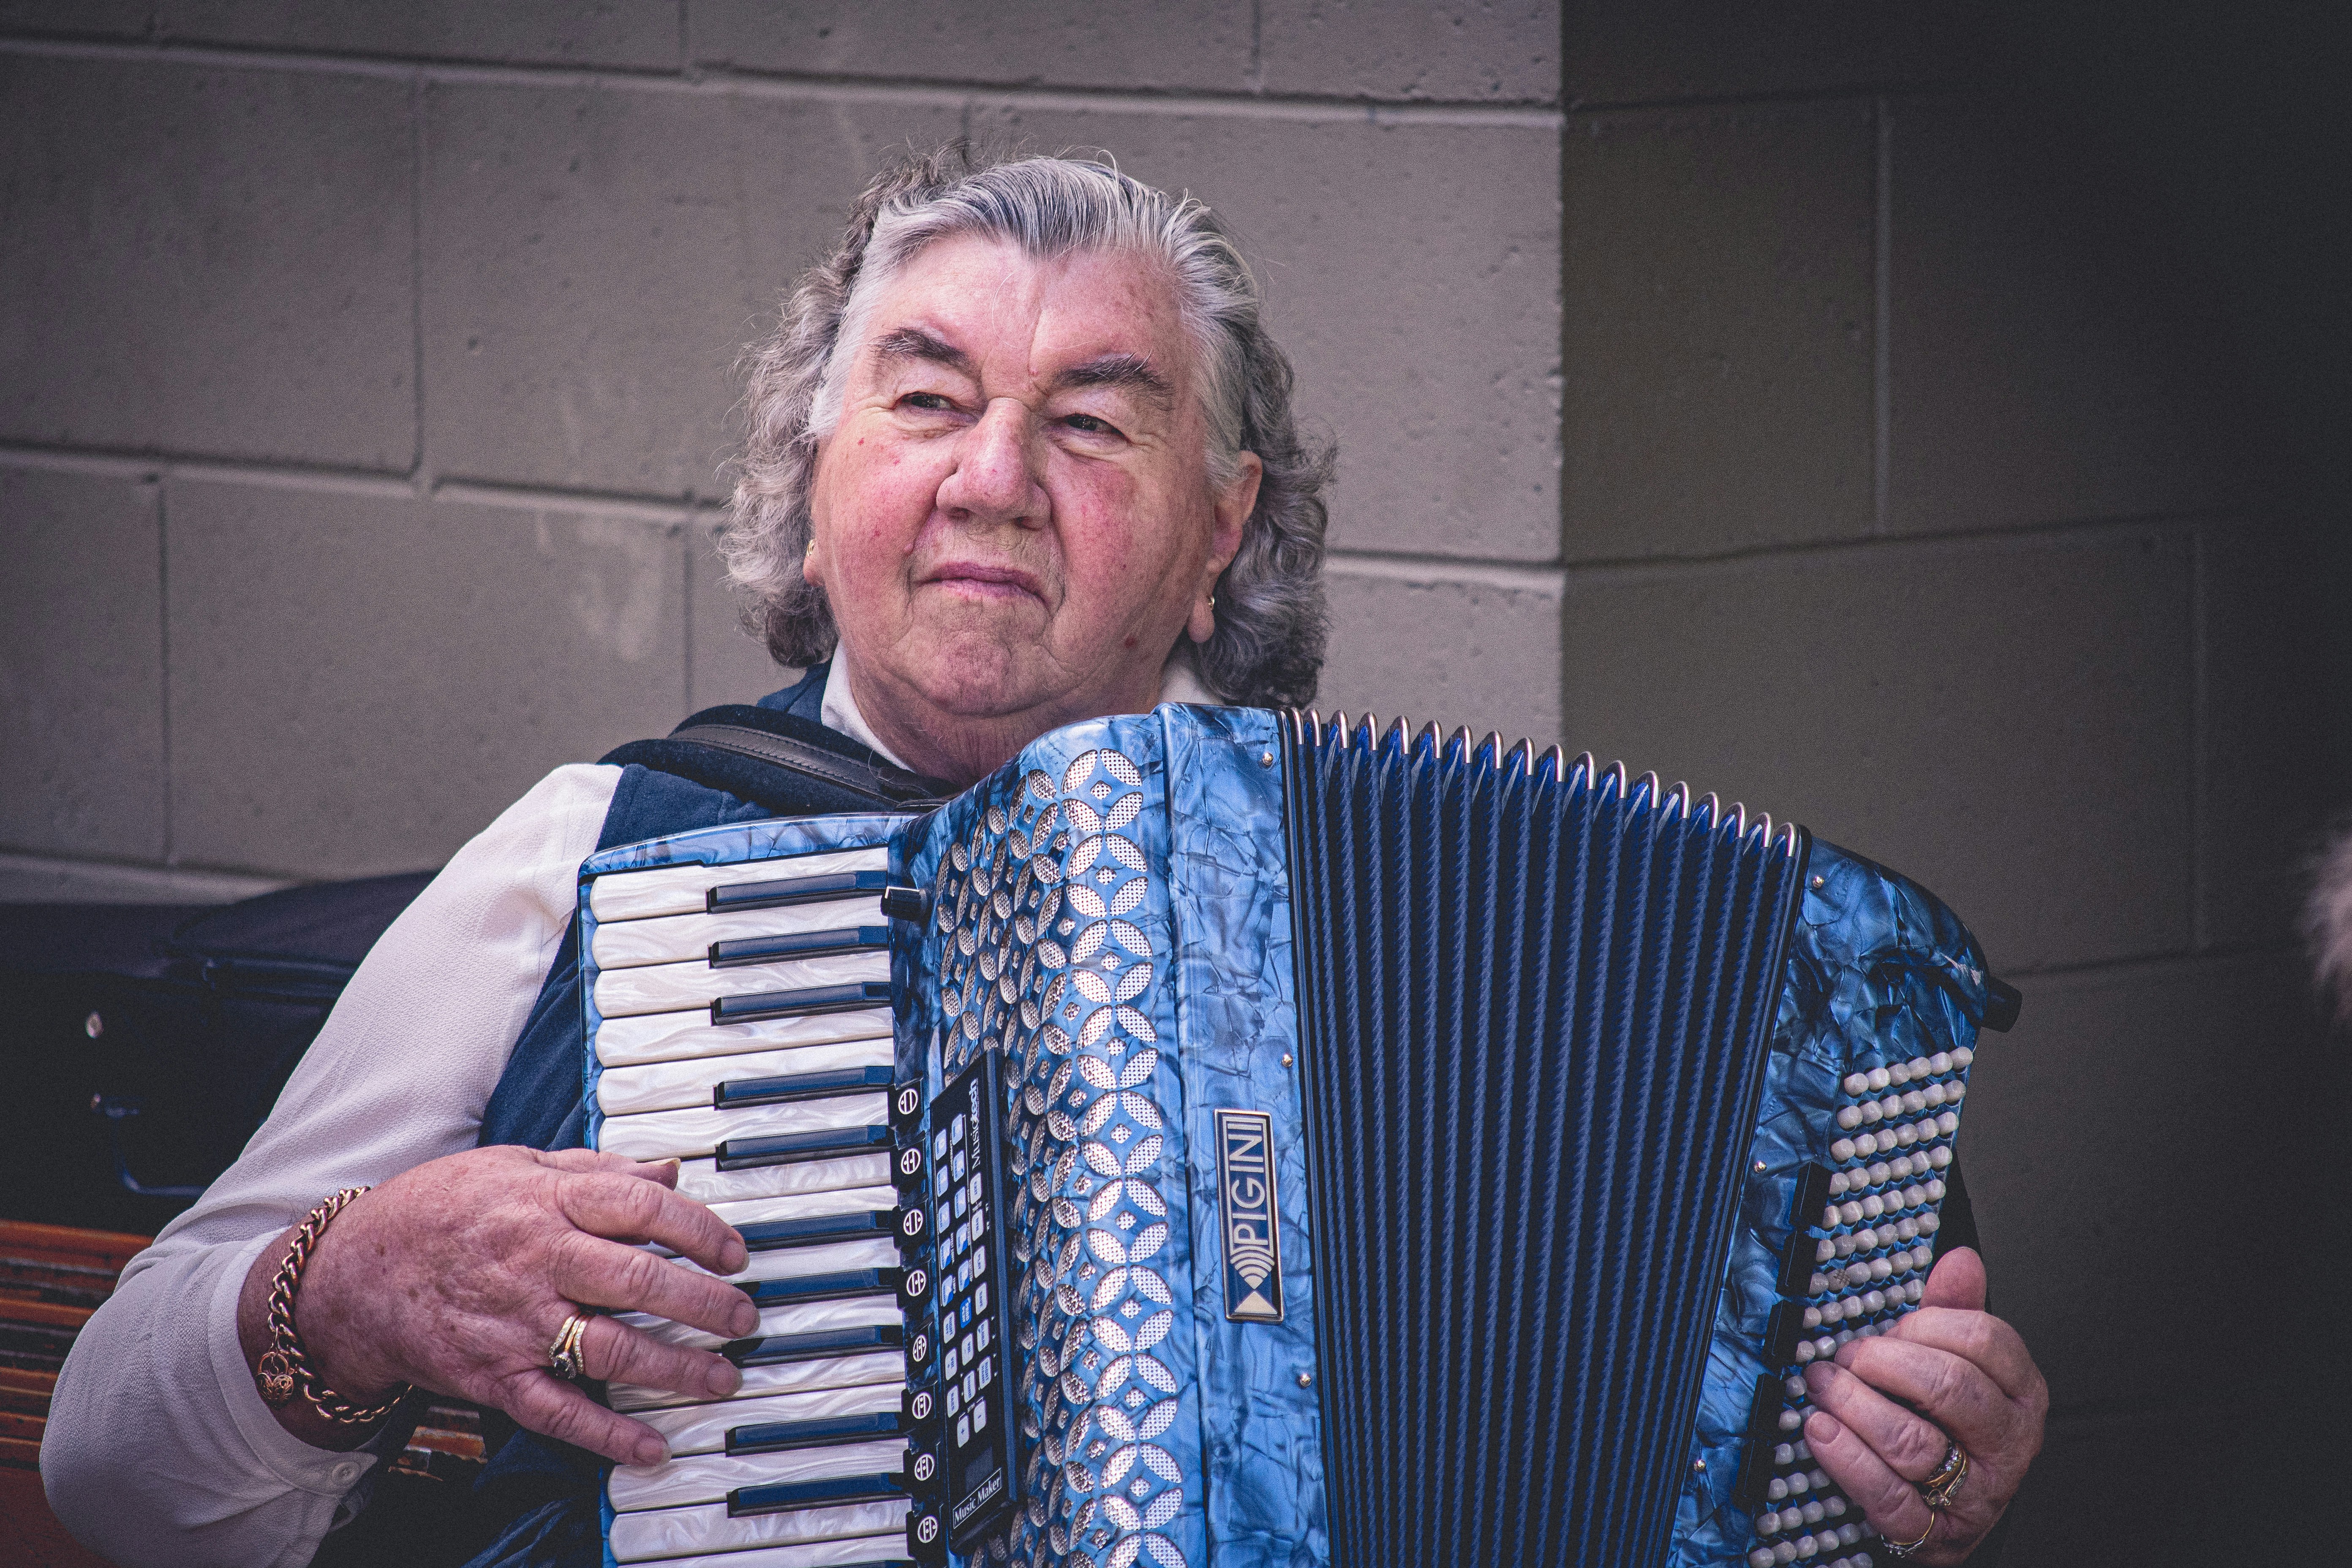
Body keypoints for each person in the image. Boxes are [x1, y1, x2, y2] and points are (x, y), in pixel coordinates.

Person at [43, 144, 2045, 1568]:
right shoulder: (596, 853)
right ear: (815, 484)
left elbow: (1854, 1460)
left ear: (1220, 531)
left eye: (1097, 423)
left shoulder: (1486, 922)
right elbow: (104, 1470)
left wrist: (1921, 1468)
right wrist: (352, 1291)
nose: (992, 479)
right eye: (926, 400)